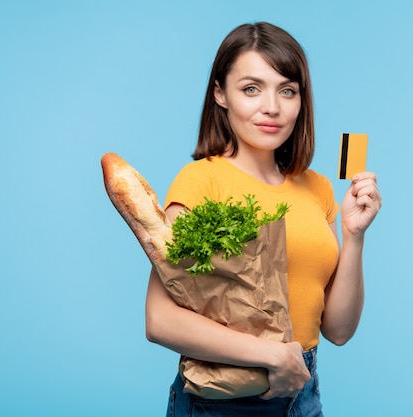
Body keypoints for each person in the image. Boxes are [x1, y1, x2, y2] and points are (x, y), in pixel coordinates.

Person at [145, 22, 382, 417]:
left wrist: (354, 236)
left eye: (287, 90)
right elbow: (160, 319)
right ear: (220, 94)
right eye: (251, 88)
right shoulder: (201, 182)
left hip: (303, 393)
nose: (272, 106)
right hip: (223, 399)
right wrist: (273, 356)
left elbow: (338, 331)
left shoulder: (318, 188)